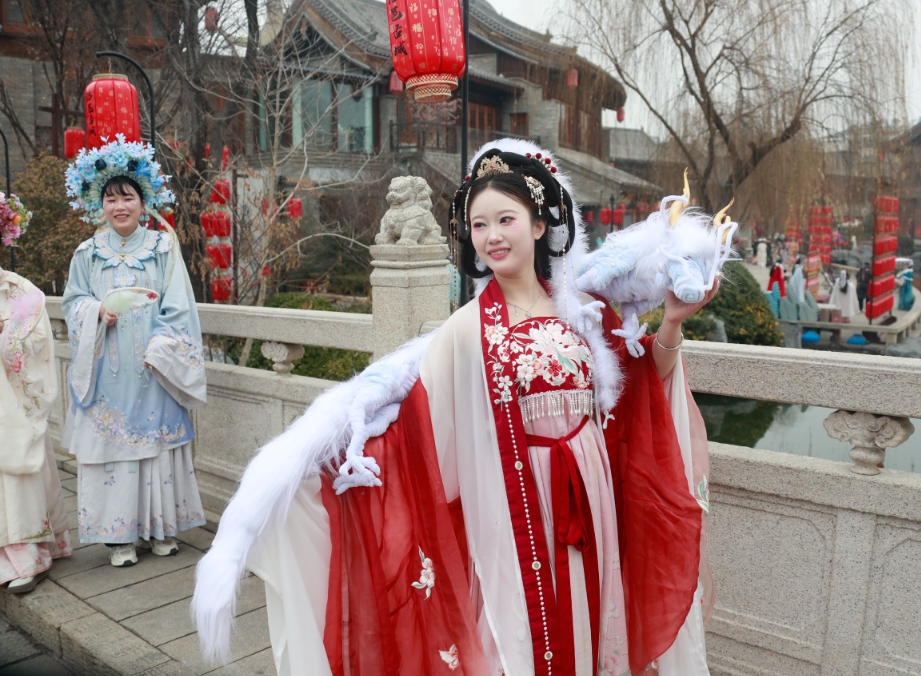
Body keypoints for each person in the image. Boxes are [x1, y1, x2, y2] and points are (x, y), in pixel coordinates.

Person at [194, 141, 720, 676]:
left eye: (505, 219)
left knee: (589, 622)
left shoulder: (582, 312)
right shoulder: (467, 329)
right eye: (478, 224)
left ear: (539, 225)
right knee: (517, 644)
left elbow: (639, 395)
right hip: (513, 512)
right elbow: (415, 430)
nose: (492, 236)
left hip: (589, 501)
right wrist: (313, 477)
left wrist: (673, 323)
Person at [61, 137, 207, 567]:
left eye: (127, 197)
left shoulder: (163, 248)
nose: (119, 206)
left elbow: (179, 305)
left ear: (144, 202)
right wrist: (96, 310)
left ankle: (161, 529)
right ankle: (118, 538)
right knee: (113, 451)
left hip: (153, 368)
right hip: (108, 370)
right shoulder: (87, 254)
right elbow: (72, 303)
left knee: (156, 447)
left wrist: (161, 347)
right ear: (99, 204)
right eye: (111, 198)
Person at [0, 189, 73, 594]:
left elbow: (38, 344)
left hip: (11, 396)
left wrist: (6, 338)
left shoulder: (22, 291)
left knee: (15, 470)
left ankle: (28, 557)